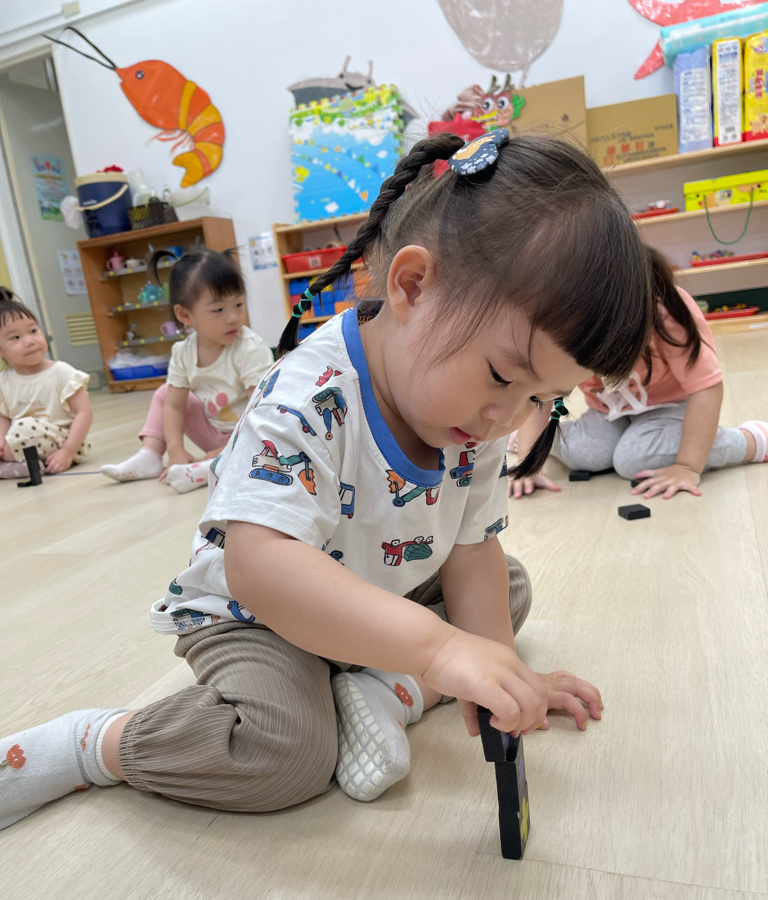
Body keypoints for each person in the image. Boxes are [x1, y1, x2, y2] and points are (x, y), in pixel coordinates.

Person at [0, 130, 651, 831]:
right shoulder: (309, 396)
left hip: (382, 587)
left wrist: (498, 671)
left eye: (542, 398)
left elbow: (471, 549)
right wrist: (439, 649)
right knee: (284, 753)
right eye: (501, 376)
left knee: (503, 591)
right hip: (259, 615)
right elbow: (259, 568)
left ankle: (384, 690)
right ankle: (91, 744)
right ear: (412, 286)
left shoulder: (479, 417)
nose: (508, 417)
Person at [509, 248, 768, 500]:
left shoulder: (667, 313)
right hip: (608, 409)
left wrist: (688, 466)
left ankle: (753, 440)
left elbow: (707, 387)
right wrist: (529, 462)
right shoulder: (562, 322)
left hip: (671, 405)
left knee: (633, 459)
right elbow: (541, 393)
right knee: (586, 454)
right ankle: (525, 439)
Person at [101, 248, 273, 493]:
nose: (233, 317)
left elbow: (262, 411)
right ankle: (150, 456)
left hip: (251, 434)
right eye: (218, 310)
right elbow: (174, 407)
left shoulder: (250, 348)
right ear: (185, 315)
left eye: (238, 304)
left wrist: (227, 448)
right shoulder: (184, 352)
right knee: (164, 394)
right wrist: (176, 450)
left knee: (262, 444)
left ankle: (212, 467)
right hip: (213, 432)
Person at [0, 288, 93, 479]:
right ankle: (18, 463)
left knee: (24, 427)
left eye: (33, 331)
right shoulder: (4, 380)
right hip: (20, 442)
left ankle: (9, 464)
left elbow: (85, 413)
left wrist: (68, 451)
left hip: (62, 441)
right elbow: (4, 417)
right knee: (18, 429)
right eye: (15, 337)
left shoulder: (61, 372)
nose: (29, 341)